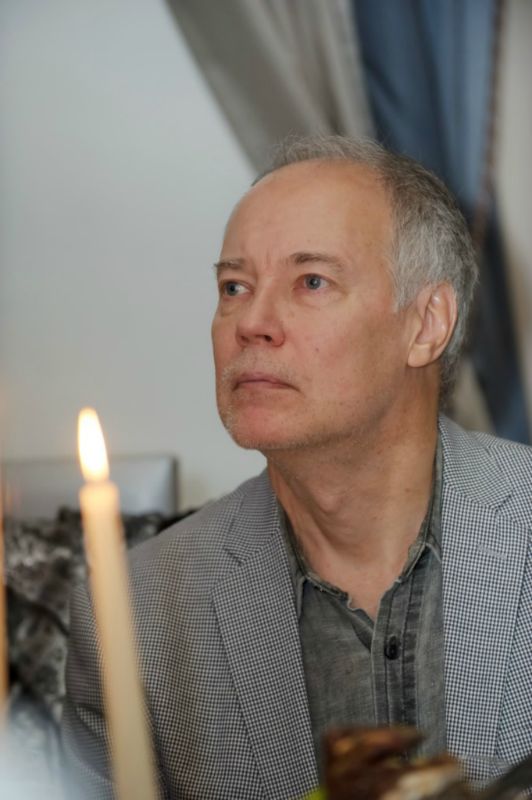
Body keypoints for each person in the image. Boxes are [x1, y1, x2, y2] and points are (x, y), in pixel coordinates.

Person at [61, 136, 532, 799]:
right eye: (234, 287)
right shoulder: (136, 615)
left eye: (312, 281)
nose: (251, 322)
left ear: (427, 323)